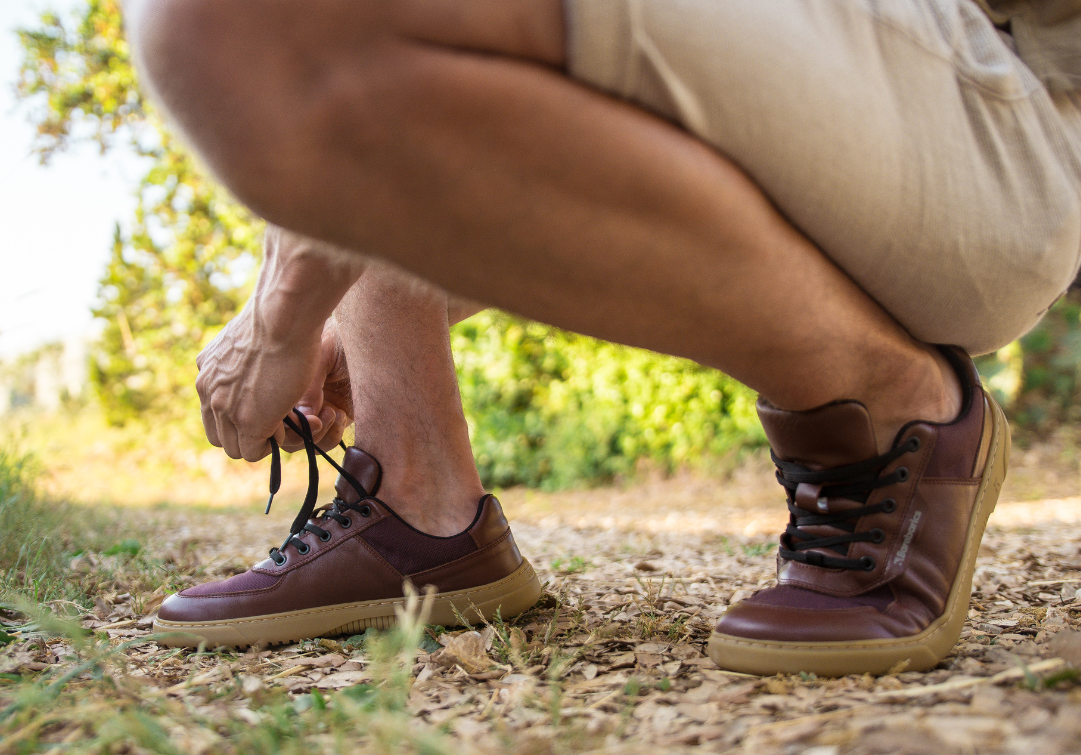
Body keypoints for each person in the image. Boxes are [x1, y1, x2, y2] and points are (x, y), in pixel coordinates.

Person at [130, 0, 1081, 676]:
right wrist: (342, 301)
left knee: (239, 23)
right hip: (842, 82)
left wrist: (283, 315)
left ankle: (881, 399)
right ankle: (418, 501)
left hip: (1001, 106)